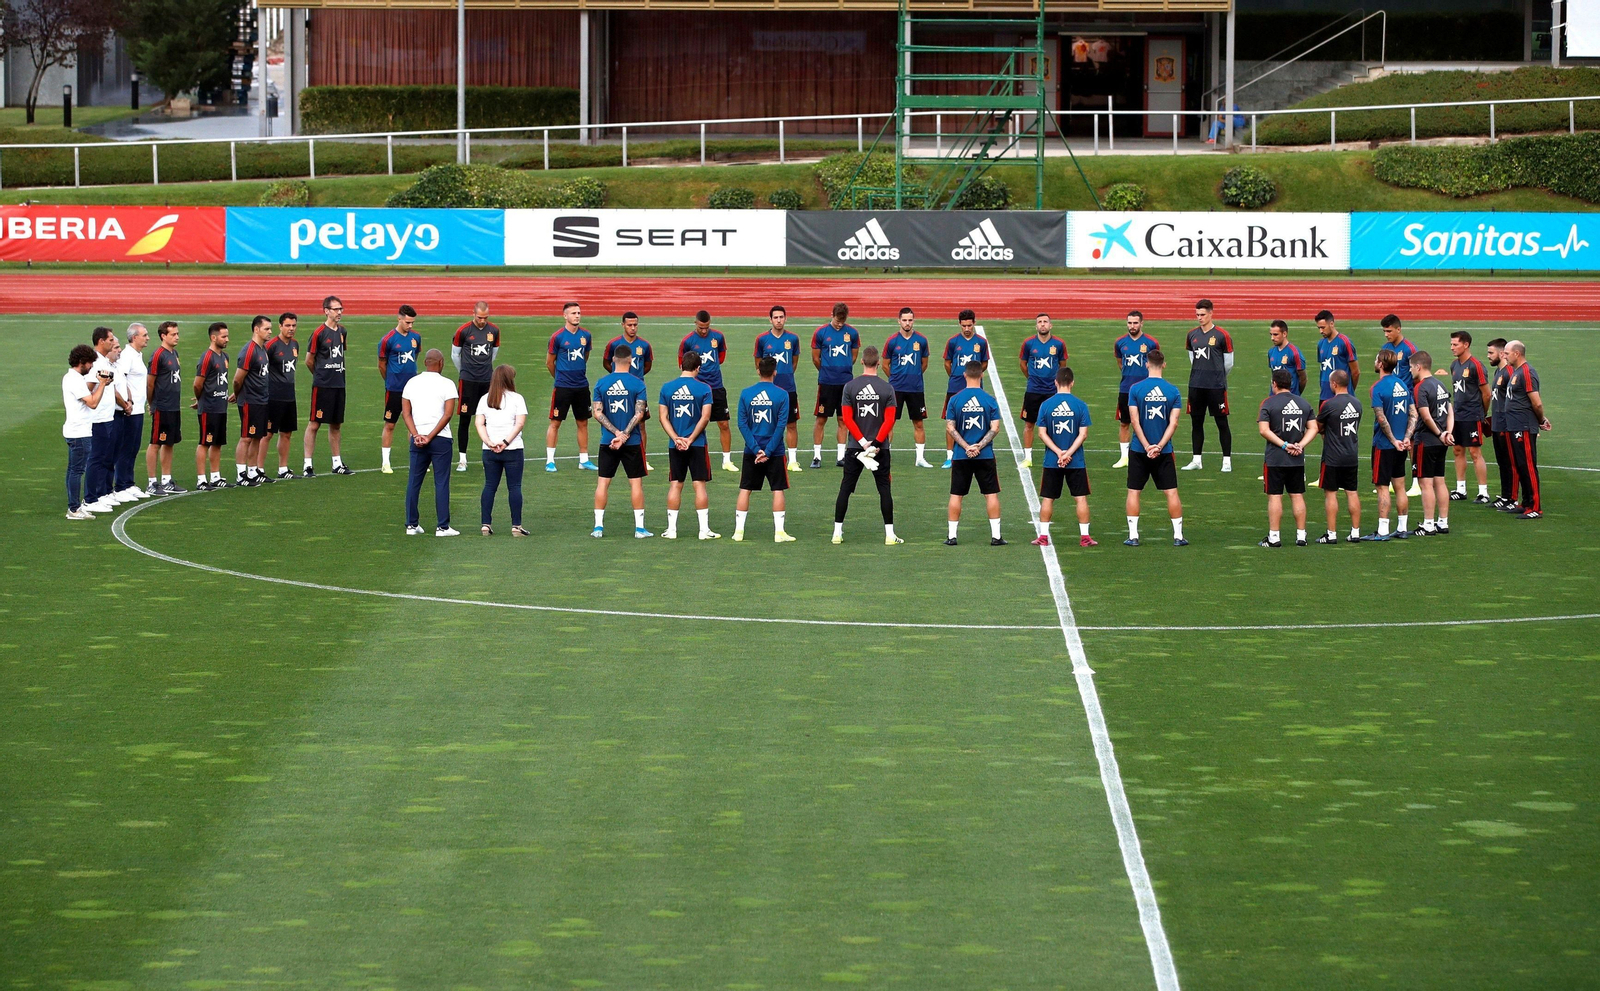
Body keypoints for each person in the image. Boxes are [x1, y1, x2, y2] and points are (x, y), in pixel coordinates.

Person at [833, 345, 900, 545]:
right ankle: (889, 535)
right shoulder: (887, 388)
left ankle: (837, 533)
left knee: (846, 488)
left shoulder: (850, 387)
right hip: (880, 449)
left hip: (855, 447)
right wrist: (876, 443)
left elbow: (847, 418)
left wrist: (862, 442)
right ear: (879, 363)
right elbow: (889, 420)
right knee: (884, 489)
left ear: (862, 362)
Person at [1125, 350, 1186, 547]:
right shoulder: (1173, 391)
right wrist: (1159, 446)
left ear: (1146, 364)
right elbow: (1174, 423)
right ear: (1164, 365)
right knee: (1171, 492)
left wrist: (1146, 445)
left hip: (1138, 449)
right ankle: (1178, 536)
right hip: (1164, 451)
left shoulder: (1135, 389)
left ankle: (1133, 536)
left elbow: (1134, 421)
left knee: (1134, 492)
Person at [590, 344, 651, 539]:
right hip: (631, 442)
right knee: (635, 484)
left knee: (603, 483)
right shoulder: (638, 384)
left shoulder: (601, 383)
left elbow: (597, 414)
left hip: (608, 441)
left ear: (613, 360)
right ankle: (639, 529)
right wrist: (624, 434)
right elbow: (639, 413)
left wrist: (615, 433)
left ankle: (598, 527)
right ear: (631, 360)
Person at [944, 360, 1005, 547]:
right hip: (984, 455)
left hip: (961, 456)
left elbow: (950, 428)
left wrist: (966, 446)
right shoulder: (989, 400)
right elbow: (995, 428)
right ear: (982, 375)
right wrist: (978, 446)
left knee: (956, 494)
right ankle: (996, 536)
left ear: (964, 375)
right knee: (991, 494)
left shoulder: (955, 400)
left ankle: (952, 536)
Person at [733, 357, 794, 543]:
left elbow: (742, 424)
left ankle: (738, 532)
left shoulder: (746, 393)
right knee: (778, 489)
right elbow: (781, 426)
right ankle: (779, 533)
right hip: (774, 451)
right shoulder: (782, 395)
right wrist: (767, 451)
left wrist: (756, 448)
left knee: (745, 489)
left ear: (758, 371)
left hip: (752, 451)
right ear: (775, 372)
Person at [659, 351, 718, 540]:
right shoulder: (704, 388)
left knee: (675, 484)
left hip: (675, 445)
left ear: (681, 365)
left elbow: (663, 417)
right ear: (698, 368)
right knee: (699, 485)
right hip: (698, 444)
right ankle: (703, 530)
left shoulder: (667, 388)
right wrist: (691, 439)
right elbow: (706, 417)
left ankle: (671, 530)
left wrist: (676, 438)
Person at [400, 350, 459, 535]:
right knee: (441, 482)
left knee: (414, 481)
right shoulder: (447, 384)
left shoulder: (412, 382)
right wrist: (431, 436)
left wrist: (416, 434)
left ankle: (411, 524)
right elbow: (448, 414)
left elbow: (406, 413)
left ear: (425, 362)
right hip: (440, 440)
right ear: (440, 363)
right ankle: (442, 526)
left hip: (417, 439)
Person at [1034, 366, 1094, 548]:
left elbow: (1042, 434)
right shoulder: (1080, 405)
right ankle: (1085, 537)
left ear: (1055, 383)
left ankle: (1043, 536)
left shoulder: (1046, 405)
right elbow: (1083, 435)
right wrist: (1068, 453)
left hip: (1052, 460)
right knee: (1080, 498)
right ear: (1072, 383)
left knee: (1048, 498)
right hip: (1075, 461)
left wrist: (1059, 452)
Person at [1257, 369, 1318, 547]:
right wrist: (1300, 445)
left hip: (1275, 459)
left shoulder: (1268, 403)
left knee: (1275, 496)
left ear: (1274, 383)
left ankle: (1274, 537)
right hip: (1297, 459)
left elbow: (1263, 430)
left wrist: (1284, 445)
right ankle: (1301, 536)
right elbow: (1313, 428)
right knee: (1297, 495)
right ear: (1291, 384)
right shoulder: (1303, 403)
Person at [1365, 348, 1415, 541]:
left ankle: (1383, 530)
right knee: (1400, 485)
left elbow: (1381, 417)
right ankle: (1402, 528)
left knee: (1382, 487)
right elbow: (1413, 414)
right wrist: (1406, 438)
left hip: (1384, 445)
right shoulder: (1403, 384)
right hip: (1402, 445)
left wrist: (1393, 440)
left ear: (1381, 364)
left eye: (1376, 359)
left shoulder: (1377, 388)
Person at [679, 309, 736, 473]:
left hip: (716, 386)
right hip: (696, 389)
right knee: (694, 423)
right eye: (701, 328)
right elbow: (682, 364)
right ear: (695, 323)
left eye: (706, 327)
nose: (704, 331)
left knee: (724, 423)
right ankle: (691, 453)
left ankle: (726, 460)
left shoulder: (717, 337)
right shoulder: (688, 341)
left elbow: (721, 357)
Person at [475, 364, 528, 537]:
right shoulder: (517, 398)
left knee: (490, 486)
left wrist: (489, 442)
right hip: (513, 449)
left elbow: (479, 423)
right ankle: (516, 525)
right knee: (514, 487)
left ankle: (485, 524)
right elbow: (519, 424)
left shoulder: (485, 399)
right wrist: (505, 442)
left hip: (489, 451)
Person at [1182, 298, 1234, 473]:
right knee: (1196, 422)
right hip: (1196, 385)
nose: (1199, 318)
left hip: (1216, 386)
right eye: (1197, 314)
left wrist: (1217, 375)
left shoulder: (1222, 335)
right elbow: (1192, 358)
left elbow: (1229, 363)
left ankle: (1226, 460)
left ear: (1211, 313)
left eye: (1203, 314)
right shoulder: (1192, 335)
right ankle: (1197, 459)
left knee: (1221, 422)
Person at [303, 295, 352, 476]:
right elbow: (309, 360)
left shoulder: (343, 331)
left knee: (336, 424)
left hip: (339, 383)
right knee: (314, 424)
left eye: (341, 309)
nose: (339, 312)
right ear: (326, 311)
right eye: (336, 309)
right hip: (323, 385)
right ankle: (308, 464)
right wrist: (320, 375)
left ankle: (337, 463)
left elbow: (341, 351)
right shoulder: (318, 333)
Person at [1502, 340, 1550, 520]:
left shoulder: (1528, 372)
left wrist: (1540, 420)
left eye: (1507, 353)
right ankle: (1527, 502)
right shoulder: (1517, 372)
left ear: (1517, 353)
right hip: (1514, 425)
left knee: (1528, 466)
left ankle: (1535, 507)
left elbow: (1536, 402)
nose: (1504, 356)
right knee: (1520, 465)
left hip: (1523, 426)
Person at [544, 301, 595, 472]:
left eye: (579, 313)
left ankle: (584, 460)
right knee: (555, 423)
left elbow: (585, 356)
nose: (577, 316)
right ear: (565, 316)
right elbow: (550, 363)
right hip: (563, 387)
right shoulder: (557, 337)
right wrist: (560, 377)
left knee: (583, 422)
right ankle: (550, 460)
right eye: (573, 313)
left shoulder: (586, 336)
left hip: (581, 386)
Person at [882, 307, 935, 468]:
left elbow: (924, 364)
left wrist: (914, 376)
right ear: (899, 321)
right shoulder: (892, 341)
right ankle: (885, 456)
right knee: (890, 422)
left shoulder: (921, 340)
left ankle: (920, 458)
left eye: (910, 320)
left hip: (916, 389)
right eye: (904, 320)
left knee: (918, 423)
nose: (907, 323)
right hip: (896, 389)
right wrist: (896, 378)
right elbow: (885, 365)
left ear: (914, 321)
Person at [753, 304, 804, 472]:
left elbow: (794, 362)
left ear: (786, 318)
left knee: (791, 424)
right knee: (768, 423)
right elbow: (758, 363)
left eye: (781, 317)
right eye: (775, 317)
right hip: (768, 390)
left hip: (788, 389)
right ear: (770, 320)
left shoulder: (793, 339)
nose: (779, 320)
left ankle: (792, 460)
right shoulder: (762, 339)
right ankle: (765, 454)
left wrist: (786, 375)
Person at [1314, 370, 1363, 543]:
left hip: (1333, 456)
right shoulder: (1357, 404)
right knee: (1352, 493)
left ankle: (1332, 534)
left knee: (1331, 494)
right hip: (1351, 455)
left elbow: (1318, 426)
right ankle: (1355, 532)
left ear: (1334, 384)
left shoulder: (1328, 404)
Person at [1409, 350, 1454, 535]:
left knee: (1425, 483)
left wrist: (1440, 433)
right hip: (1441, 442)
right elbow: (1450, 411)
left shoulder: (1421, 387)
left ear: (1418, 367)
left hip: (1426, 440)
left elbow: (1426, 416)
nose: (1411, 371)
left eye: (1411, 367)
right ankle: (1442, 522)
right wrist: (1447, 433)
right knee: (1440, 482)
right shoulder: (1440, 384)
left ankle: (1428, 525)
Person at [810, 302, 860, 468]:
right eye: (838, 320)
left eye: (842, 321)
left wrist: (843, 368)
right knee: (821, 418)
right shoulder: (821, 332)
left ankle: (841, 456)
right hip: (827, 382)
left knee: (843, 419)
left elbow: (853, 356)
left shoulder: (852, 333)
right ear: (832, 315)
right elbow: (816, 358)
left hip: (845, 384)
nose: (840, 323)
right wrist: (826, 370)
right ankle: (817, 456)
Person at [453, 301, 500, 472]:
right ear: (473, 314)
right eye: (480, 317)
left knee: (489, 419)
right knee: (465, 419)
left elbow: (493, 353)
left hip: (487, 381)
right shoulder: (463, 331)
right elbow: (455, 355)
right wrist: (465, 371)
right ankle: (462, 459)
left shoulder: (494, 330)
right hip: (467, 381)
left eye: (485, 317)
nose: (482, 321)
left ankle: (489, 454)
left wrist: (484, 370)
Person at [1017, 313, 1068, 468]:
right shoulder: (1029, 343)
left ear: (1050, 325)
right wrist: (1031, 378)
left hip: (1052, 391)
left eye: (1045, 322)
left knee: (1055, 424)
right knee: (1029, 424)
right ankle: (1028, 458)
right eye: (1039, 322)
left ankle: (1057, 453)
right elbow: (1023, 364)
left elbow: (1063, 366)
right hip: (1033, 390)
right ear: (1036, 325)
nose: (1043, 324)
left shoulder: (1059, 344)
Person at [605, 312, 654, 470]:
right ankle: (614, 453)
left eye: (635, 325)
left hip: (638, 391)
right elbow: (606, 363)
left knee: (641, 425)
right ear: (623, 325)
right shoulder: (614, 344)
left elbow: (647, 365)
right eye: (629, 325)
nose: (633, 328)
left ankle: (642, 457)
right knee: (615, 420)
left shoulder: (644, 345)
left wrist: (635, 380)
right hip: (618, 391)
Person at [941, 309, 990, 469]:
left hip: (976, 388)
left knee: (978, 420)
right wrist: (956, 376)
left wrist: (975, 377)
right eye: (964, 326)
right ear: (959, 325)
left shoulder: (981, 342)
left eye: (969, 325)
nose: (967, 329)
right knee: (951, 422)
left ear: (974, 323)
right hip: (955, 386)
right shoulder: (953, 342)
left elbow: (984, 363)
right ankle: (950, 457)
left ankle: (978, 449)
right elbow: (947, 363)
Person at [1448, 330, 1492, 504]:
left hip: (1472, 415)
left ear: (1466, 345)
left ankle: (1483, 492)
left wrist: (1482, 413)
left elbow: (1486, 394)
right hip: (1457, 415)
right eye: (1451, 344)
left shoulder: (1476, 366)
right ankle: (1460, 489)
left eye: (1455, 344)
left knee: (1475, 452)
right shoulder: (1454, 365)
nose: (1452, 347)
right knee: (1457, 450)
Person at [1112, 310, 1158, 468]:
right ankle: (1124, 457)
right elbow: (1120, 363)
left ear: (1142, 323)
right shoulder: (1120, 343)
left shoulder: (1151, 343)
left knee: (1148, 422)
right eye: (1130, 323)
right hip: (1126, 389)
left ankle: (1149, 452)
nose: (1132, 326)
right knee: (1125, 422)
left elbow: (1155, 364)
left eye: (1135, 323)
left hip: (1146, 390)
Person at [378, 304, 422, 475]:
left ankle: (416, 461)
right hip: (394, 389)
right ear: (399, 318)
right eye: (407, 322)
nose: (410, 326)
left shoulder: (416, 337)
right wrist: (390, 380)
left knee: (414, 425)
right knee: (390, 424)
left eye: (412, 322)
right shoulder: (388, 340)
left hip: (413, 389)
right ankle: (385, 462)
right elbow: (382, 364)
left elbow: (416, 355)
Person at [144, 321, 187, 495]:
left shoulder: (173, 353)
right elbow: (150, 383)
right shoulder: (158, 356)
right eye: (173, 334)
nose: (177, 337)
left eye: (177, 333)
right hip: (162, 406)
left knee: (169, 442)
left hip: (173, 405)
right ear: (163, 336)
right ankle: (152, 482)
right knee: (155, 442)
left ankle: (166, 479)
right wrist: (152, 403)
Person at [64, 344, 106, 519]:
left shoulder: (71, 378)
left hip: (75, 430)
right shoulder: (74, 379)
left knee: (72, 470)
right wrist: (102, 384)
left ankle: (74, 506)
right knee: (77, 471)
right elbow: (93, 403)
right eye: (89, 363)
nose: (90, 368)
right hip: (79, 432)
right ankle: (74, 508)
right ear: (81, 362)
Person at [232, 315, 275, 487]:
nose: (270, 332)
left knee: (257, 435)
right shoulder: (249, 350)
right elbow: (237, 379)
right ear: (256, 329)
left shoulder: (262, 349)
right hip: (250, 400)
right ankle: (241, 474)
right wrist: (238, 394)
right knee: (246, 438)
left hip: (261, 399)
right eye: (266, 329)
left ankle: (252, 471)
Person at [112, 323, 152, 502]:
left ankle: (128, 483)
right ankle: (121, 485)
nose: (148, 338)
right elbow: (121, 379)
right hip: (129, 410)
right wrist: (127, 402)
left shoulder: (136, 355)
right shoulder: (127, 355)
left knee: (133, 447)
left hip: (137, 409)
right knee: (126, 447)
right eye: (144, 335)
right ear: (134, 337)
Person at [84, 327, 122, 509]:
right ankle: (90, 499)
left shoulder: (104, 362)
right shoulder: (94, 362)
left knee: (103, 457)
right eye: (110, 340)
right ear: (101, 341)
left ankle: (100, 493)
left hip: (107, 417)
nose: (113, 343)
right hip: (96, 419)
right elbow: (88, 388)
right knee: (96, 458)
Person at [193, 322, 232, 491]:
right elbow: (197, 384)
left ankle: (215, 476)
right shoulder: (207, 357)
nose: (227, 339)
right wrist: (200, 399)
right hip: (208, 407)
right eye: (223, 336)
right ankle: (201, 479)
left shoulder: (225, 357)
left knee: (217, 442)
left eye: (227, 336)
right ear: (213, 337)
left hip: (221, 406)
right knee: (205, 442)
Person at [1485, 338, 1518, 511]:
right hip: (1497, 425)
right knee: (1502, 462)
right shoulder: (1498, 373)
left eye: (1491, 353)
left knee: (1510, 463)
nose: (1488, 356)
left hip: (1507, 426)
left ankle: (1512, 498)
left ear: (1502, 353)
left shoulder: (1509, 373)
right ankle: (1505, 495)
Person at [266, 313, 299, 480]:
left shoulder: (295, 345)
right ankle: (258, 469)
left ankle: (283, 468)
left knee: (286, 433)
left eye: (293, 325)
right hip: (273, 395)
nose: (291, 329)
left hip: (289, 395)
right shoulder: (271, 345)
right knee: (268, 433)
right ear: (280, 326)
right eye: (288, 325)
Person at [1315, 309, 1359, 405]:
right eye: (1319, 328)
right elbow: (1322, 369)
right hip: (1324, 395)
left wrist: (1349, 390)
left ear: (1331, 324)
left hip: (1342, 395)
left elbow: (1355, 372)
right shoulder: (1321, 344)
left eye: (1323, 327)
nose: (1320, 331)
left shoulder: (1345, 342)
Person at [1266, 320, 1306, 396]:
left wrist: (1296, 394)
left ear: (1284, 334)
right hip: (1274, 397)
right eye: (1271, 334)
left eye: (1275, 335)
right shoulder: (1271, 352)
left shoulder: (1294, 352)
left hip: (1291, 397)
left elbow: (1303, 378)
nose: (1272, 338)